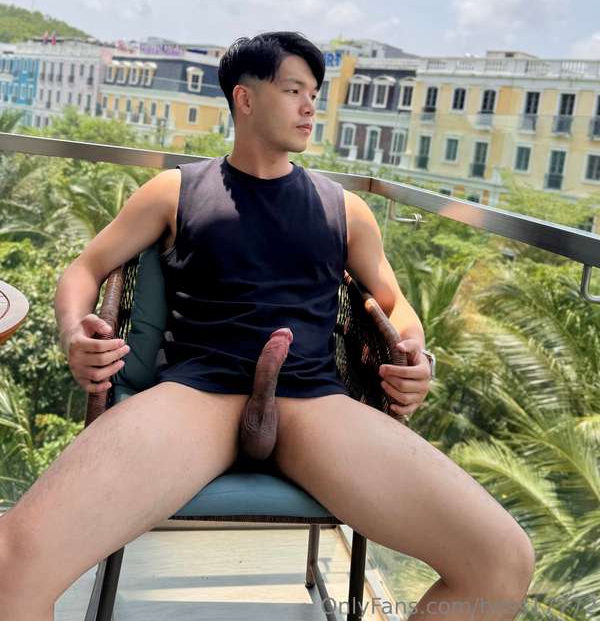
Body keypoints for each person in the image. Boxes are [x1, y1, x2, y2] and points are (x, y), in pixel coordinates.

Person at [0, 32, 535, 621]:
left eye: (314, 94)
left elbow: (394, 304)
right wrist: (73, 332)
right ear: (245, 98)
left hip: (312, 402)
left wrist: (415, 353)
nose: (310, 107)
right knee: (13, 565)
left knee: (502, 560)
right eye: (293, 90)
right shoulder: (176, 190)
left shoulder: (344, 208)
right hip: (197, 395)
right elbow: (84, 269)